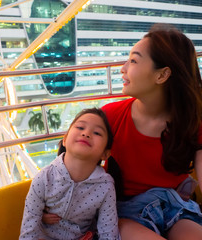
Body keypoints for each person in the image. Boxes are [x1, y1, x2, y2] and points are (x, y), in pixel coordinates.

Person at [43, 23, 202, 239]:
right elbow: (71, 163)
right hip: (121, 212)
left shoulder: (192, 123)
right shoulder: (109, 118)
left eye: (134, 61)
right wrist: (49, 202)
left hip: (174, 206)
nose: (123, 68)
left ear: (162, 75)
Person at [19, 108, 120, 240]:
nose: (86, 133)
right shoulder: (44, 178)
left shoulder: (106, 186)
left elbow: (108, 233)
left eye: (97, 132)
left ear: (105, 154)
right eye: (80, 127)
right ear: (65, 140)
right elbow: (29, 231)